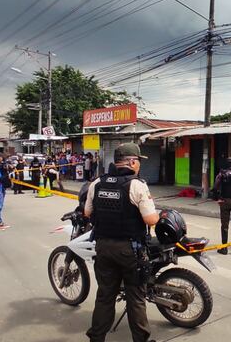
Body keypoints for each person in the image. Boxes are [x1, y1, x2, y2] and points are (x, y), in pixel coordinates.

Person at [83, 143, 159, 342]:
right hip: (129, 250)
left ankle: (96, 338)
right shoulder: (137, 185)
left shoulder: (97, 183)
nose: (139, 166)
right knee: (136, 297)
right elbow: (151, 220)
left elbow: (87, 213)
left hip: (103, 247)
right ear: (132, 162)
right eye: (139, 162)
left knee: (105, 296)